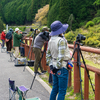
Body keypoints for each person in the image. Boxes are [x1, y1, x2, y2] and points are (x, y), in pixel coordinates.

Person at [46, 20, 71, 100]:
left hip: (53, 66)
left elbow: (48, 55)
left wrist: (52, 67)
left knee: (55, 89)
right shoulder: (61, 41)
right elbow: (60, 57)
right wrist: (57, 68)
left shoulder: (50, 40)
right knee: (62, 91)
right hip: (62, 67)